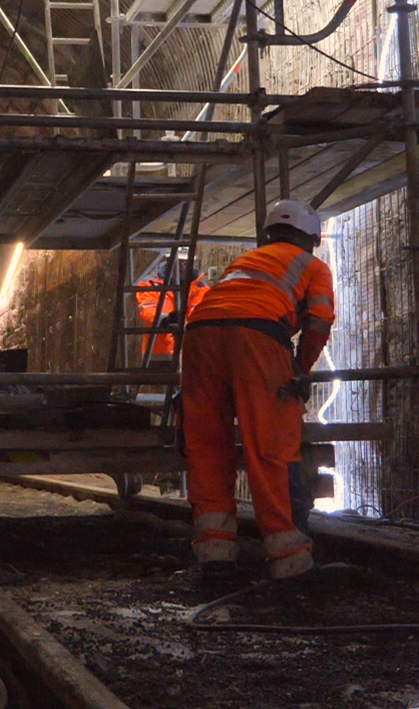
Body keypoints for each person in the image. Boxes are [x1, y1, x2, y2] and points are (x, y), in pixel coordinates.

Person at [180, 199, 335, 581]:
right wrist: (301, 368)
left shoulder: (246, 264)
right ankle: (290, 559)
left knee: (207, 442)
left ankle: (215, 552)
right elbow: (319, 320)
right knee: (271, 445)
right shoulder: (314, 266)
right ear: (312, 239)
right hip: (257, 336)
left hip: (200, 336)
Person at [136, 258, 208, 360]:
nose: (182, 267)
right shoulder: (150, 284)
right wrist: (166, 319)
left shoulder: (200, 288)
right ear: (169, 260)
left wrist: (187, 323)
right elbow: (147, 311)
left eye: (186, 262)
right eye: (179, 262)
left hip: (191, 353)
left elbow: (200, 312)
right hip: (159, 354)